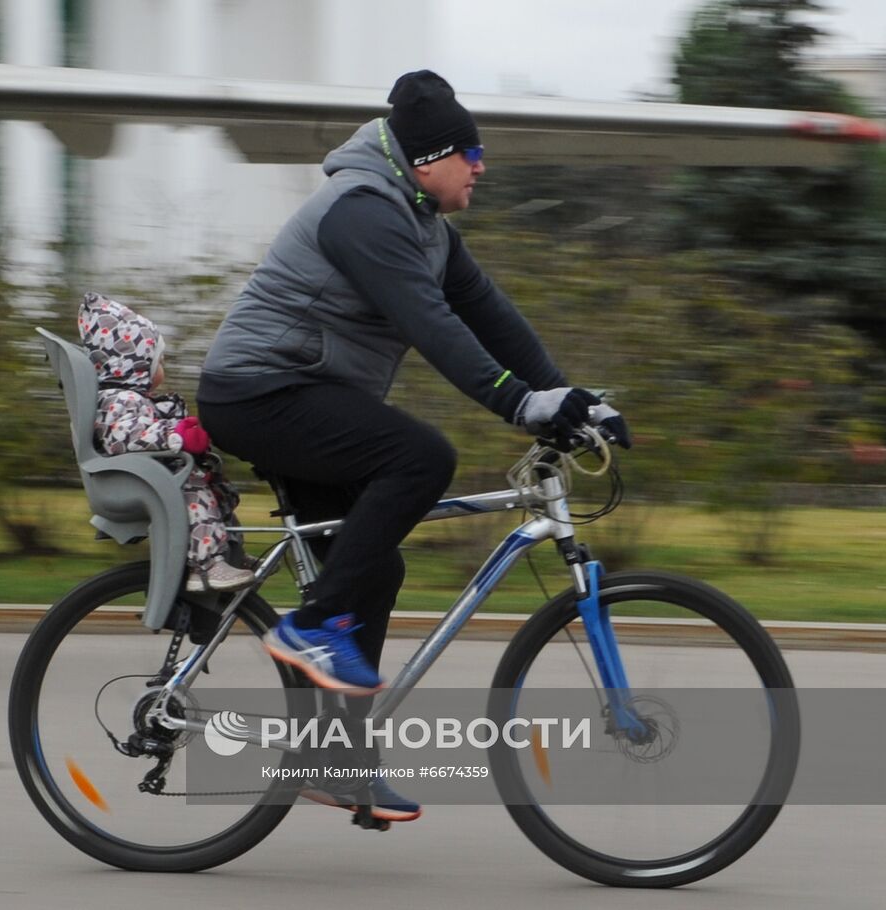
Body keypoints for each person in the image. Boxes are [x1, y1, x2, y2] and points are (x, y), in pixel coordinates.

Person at [196, 71, 630, 821]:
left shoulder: (423, 223)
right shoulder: (363, 213)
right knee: (420, 458)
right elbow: (431, 325)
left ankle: (337, 763)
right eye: (472, 152)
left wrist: (572, 398)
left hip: (304, 396)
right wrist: (521, 405)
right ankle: (311, 629)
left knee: (378, 566)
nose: (482, 166)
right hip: (260, 393)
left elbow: (491, 317)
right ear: (428, 158)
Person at [78, 293, 254, 592]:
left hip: (150, 474)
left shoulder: (125, 398)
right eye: (159, 360)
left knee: (216, 492)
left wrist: (179, 428)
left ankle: (228, 554)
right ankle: (207, 566)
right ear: (134, 364)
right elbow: (126, 437)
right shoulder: (120, 399)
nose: (163, 367)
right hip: (145, 480)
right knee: (194, 491)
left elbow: (141, 429)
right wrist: (178, 436)